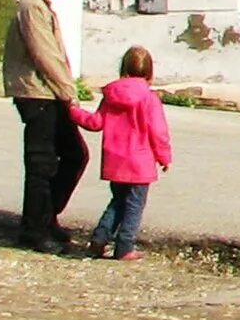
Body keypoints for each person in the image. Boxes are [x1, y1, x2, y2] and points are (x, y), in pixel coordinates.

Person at [2, 0, 87, 252]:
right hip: (37, 92)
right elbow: (44, 54)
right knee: (41, 165)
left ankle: (46, 218)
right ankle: (34, 231)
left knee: (74, 155)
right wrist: (69, 92)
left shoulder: (42, 5)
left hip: (49, 92)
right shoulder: (31, 7)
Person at [71, 46, 173, 260]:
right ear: (150, 73)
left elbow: (95, 122)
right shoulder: (149, 98)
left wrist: (73, 111)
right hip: (140, 163)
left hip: (115, 161)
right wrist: (164, 157)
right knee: (134, 206)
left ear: (123, 68)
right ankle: (125, 247)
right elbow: (158, 131)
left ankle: (99, 240)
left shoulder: (111, 95)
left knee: (117, 201)